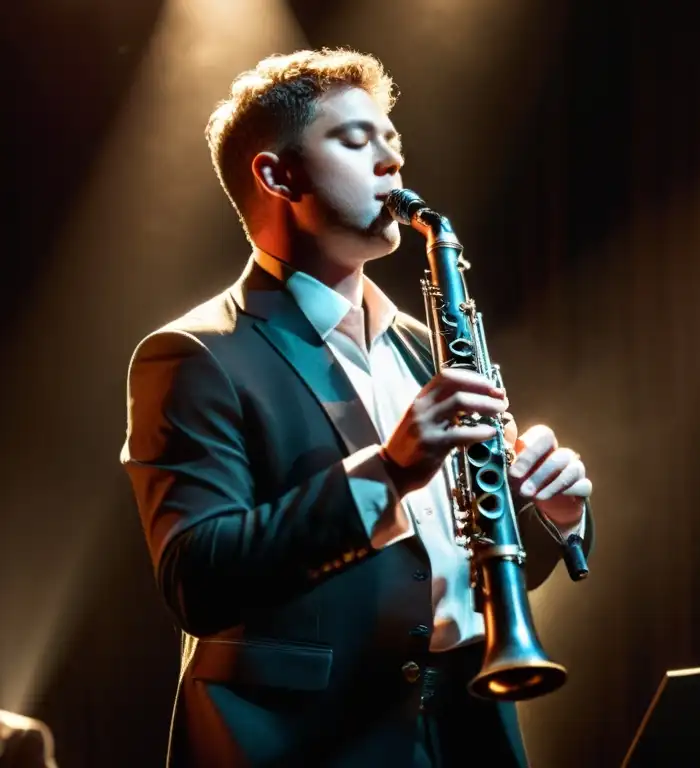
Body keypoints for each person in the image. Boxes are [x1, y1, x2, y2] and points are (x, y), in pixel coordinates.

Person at [119, 47, 594, 767]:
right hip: (306, 745)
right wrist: (392, 470)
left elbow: (434, 570)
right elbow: (198, 578)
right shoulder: (193, 354)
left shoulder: (422, 343)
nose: (391, 162)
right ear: (278, 174)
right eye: (354, 139)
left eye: (393, 142)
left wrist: (548, 517)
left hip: (463, 729)